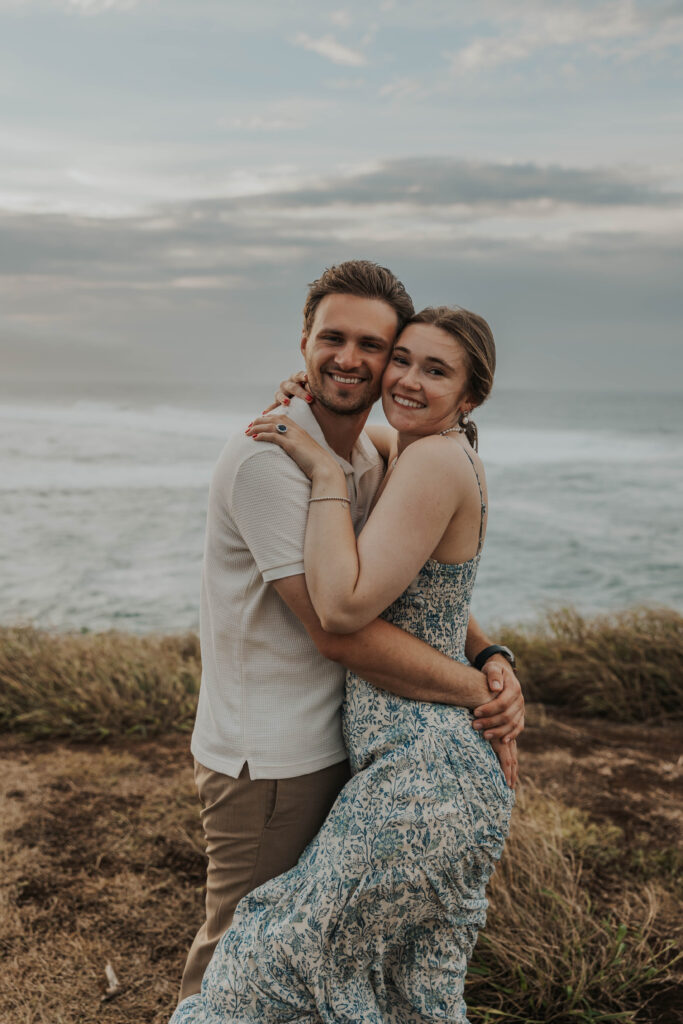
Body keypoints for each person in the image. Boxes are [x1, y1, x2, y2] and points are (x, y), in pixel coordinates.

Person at [179, 261, 523, 1005]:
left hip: (349, 747)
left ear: (466, 395)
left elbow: (412, 589)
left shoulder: (371, 454)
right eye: (332, 338)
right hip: (268, 756)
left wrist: (490, 657)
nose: (355, 359)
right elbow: (338, 629)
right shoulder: (270, 460)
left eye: (376, 346)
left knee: (325, 963)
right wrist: (480, 691)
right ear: (302, 342)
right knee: (244, 956)